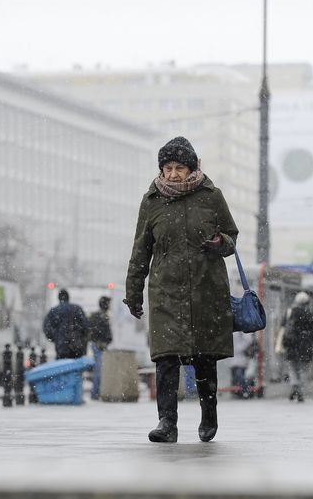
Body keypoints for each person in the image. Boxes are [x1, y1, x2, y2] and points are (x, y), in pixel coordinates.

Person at [124, 136, 238, 443]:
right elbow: (140, 250)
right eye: (168, 168)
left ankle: (209, 414)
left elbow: (231, 236)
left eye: (180, 168)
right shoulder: (151, 203)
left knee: (204, 358)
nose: (173, 174)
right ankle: (167, 423)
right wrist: (133, 292)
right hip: (166, 293)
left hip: (205, 288)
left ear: (192, 169)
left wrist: (221, 244)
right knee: (166, 359)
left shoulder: (212, 197)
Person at [282, 291, 313, 402]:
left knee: (292, 368)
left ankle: (294, 386)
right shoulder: (309, 313)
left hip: (291, 344)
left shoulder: (290, 312)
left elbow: (283, 326)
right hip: (304, 346)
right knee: (303, 369)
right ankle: (300, 391)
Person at [42, 289, 89, 360]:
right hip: (76, 348)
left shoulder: (54, 311)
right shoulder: (77, 309)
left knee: (63, 368)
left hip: (61, 348)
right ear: (68, 297)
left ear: (58, 298)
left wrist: (55, 338)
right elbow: (86, 326)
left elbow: (46, 328)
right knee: (75, 368)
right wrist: (81, 338)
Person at [88, 296, 113, 400]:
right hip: (99, 345)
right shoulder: (102, 316)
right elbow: (104, 333)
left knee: (99, 369)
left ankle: (96, 392)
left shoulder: (96, 315)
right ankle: (95, 393)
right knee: (99, 370)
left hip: (97, 344)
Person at [226, 331, 254, 399]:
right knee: (236, 377)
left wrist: (239, 348)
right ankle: (240, 393)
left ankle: (245, 392)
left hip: (240, 357)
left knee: (239, 375)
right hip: (234, 358)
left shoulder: (241, 328)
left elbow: (248, 339)